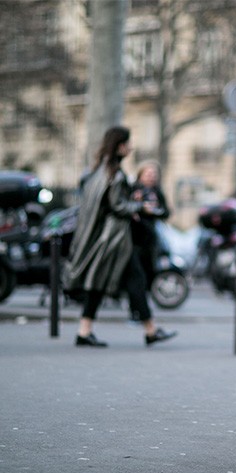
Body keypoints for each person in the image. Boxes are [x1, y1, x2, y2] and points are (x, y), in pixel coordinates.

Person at [64, 126, 177, 348]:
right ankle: (150, 330)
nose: (131, 147)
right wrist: (140, 207)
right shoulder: (114, 174)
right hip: (115, 239)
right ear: (119, 146)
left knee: (99, 283)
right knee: (136, 280)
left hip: (107, 238)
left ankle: (84, 331)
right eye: (128, 143)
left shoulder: (99, 170)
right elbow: (117, 205)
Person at [130, 160, 171, 293]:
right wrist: (139, 206)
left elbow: (166, 212)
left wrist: (156, 211)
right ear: (140, 175)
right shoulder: (133, 189)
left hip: (150, 237)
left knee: (148, 270)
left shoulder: (157, 192)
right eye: (148, 174)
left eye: (154, 174)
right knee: (137, 272)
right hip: (135, 237)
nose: (151, 177)